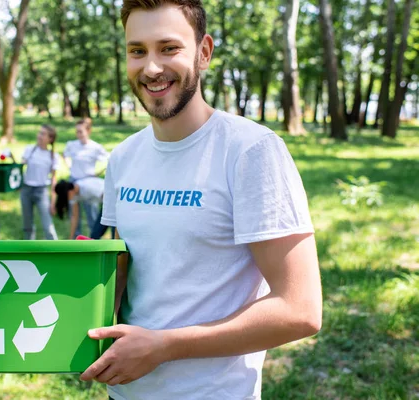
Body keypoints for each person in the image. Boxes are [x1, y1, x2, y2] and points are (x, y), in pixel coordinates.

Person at [79, 2, 323, 399]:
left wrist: (163, 347)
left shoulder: (250, 151)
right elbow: (129, 270)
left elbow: (300, 310)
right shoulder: (123, 157)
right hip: (125, 392)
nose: (152, 67)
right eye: (137, 50)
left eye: (169, 48)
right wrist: (85, 280)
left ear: (204, 52)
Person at [62, 118, 110, 238]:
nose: (78, 134)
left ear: (88, 131)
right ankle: (75, 239)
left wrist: (98, 172)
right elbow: (65, 155)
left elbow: (109, 160)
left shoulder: (95, 147)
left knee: (92, 215)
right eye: (76, 131)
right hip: (74, 183)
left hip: (89, 184)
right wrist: (69, 166)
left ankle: (93, 239)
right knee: (74, 214)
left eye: (81, 131)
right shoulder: (71, 145)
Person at [20, 124, 59, 240]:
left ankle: (55, 251)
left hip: (41, 192)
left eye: (43, 134)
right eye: (39, 133)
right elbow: (19, 167)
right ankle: (29, 251)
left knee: (48, 226)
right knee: (27, 226)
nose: (39, 136)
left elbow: (53, 179)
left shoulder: (52, 156)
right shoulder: (30, 150)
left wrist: (53, 201)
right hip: (26, 190)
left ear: (50, 139)